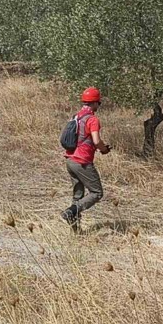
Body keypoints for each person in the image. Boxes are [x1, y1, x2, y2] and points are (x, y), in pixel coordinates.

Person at [62, 87, 111, 233]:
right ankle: (71, 211)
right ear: (95, 103)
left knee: (78, 195)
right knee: (97, 193)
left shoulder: (76, 116)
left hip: (70, 160)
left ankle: (75, 231)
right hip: (82, 162)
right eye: (99, 103)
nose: (98, 106)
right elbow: (96, 141)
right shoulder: (92, 119)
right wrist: (104, 149)